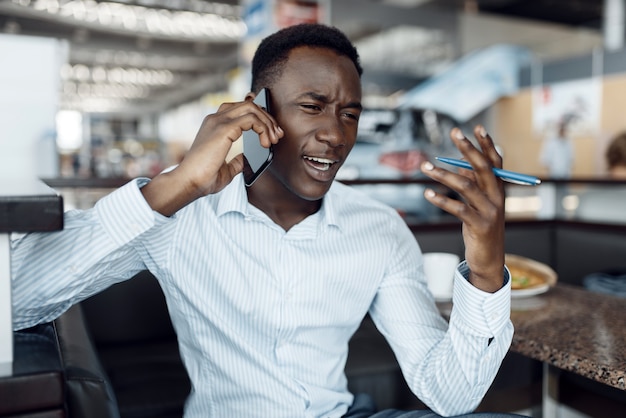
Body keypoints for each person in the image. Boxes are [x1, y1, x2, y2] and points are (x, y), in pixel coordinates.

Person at [11, 23, 520, 418]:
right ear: (258, 110)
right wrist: (176, 186)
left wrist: (485, 265)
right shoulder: (184, 213)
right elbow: (16, 301)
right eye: (312, 107)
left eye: (349, 114)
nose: (335, 135)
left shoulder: (379, 228)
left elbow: (450, 394)